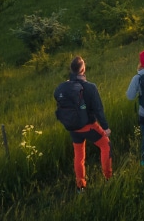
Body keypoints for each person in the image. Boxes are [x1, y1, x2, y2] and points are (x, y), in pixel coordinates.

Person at [54, 56, 112, 191]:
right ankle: (108, 177)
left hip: (73, 128)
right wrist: (105, 127)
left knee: (79, 155)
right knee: (106, 146)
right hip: (89, 126)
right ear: (83, 69)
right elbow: (98, 109)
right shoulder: (90, 87)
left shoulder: (65, 88)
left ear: (71, 70)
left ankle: (81, 186)